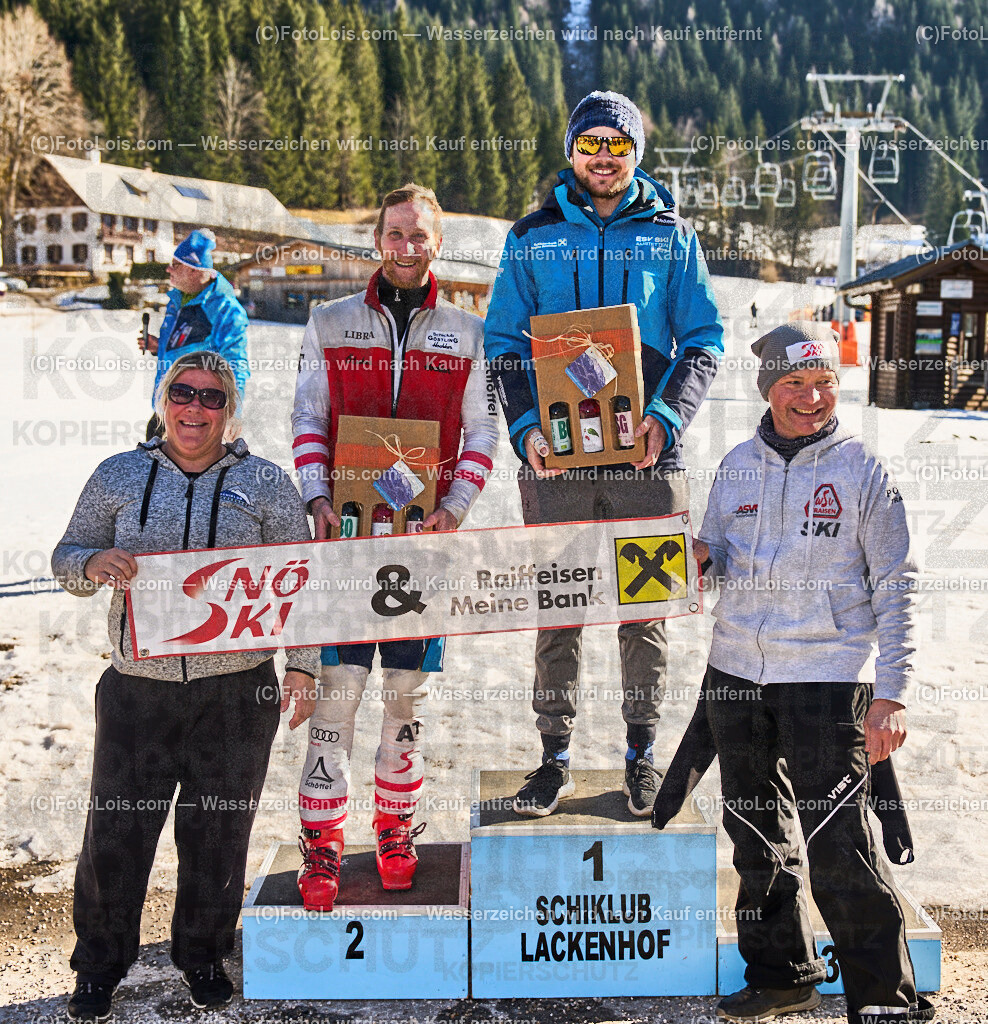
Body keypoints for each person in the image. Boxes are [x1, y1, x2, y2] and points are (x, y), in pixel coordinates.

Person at [52, 352, 319, 1021]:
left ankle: (202, 955)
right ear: (163, 399)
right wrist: (91, 562)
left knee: (218, 834)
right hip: (137, 689)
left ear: (231, 412)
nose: (194, 410)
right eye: (182, 394)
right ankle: (99, 968)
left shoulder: (265, 484)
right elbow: (66, 557)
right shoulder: (118, 474)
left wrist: (304, 665)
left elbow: (304, 581)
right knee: (116, 834)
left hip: (237, 692)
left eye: (211, 399)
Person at [483, 90, 723, 818]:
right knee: (558, 611)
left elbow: (705, 341)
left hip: (646, 460)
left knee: (643, 612)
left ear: (635, 152)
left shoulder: (671, 234)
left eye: (617, 145)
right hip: (556, 462)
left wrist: (665, 418)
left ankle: (641, 757)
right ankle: (552, 760)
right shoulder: (532, 236)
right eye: (591, 144)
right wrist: (526, 427)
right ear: (571, 151)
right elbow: (501, 343)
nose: (604, 158)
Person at [693, 322, 935, 1024]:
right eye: (794, 383)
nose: (812, 396)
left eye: (824, 382)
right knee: (756, 839)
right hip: (736, 673)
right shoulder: (736, 463)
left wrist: (892, 693)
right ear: (768, 389)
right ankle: (781, 976)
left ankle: (884, 1000)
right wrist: (700, 562)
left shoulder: (863, 469)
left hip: (829, 678)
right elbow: (716, 558)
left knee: (841, 846)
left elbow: (897, 585)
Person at [291, 183, 499, 910]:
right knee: (336, 698)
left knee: (405, 699)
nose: (408, 246)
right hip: (344, 546)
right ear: (377, 239)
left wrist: (456, 507)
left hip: (423, 548)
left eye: (420, 235)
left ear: (438, 242)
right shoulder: (330, 320)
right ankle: (321, 846)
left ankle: (393, 830)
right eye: (396, 233)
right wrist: (316, 496)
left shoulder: (468, 332)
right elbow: (309, 418)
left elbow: (483, 435)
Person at [137, 229, 250, 439]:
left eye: (176, 264)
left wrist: (232, 415)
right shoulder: (178, 300)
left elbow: (236, 364)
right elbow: (186, 343)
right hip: (166, 409)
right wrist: (159, 346)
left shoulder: (225, 310)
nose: (168, 269)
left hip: (196, 417)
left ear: (194, 270)